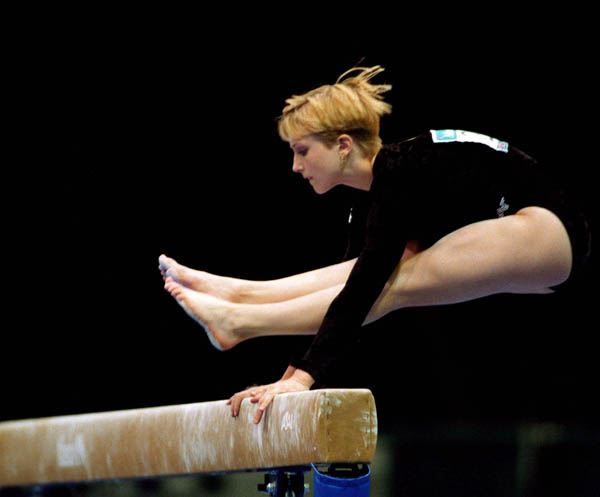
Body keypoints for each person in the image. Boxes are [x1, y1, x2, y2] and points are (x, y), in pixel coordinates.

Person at [159, 66, 591, 424]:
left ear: (343, 145)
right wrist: (287, 377)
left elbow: (362, 299)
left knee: (389, 283)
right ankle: (239, 296)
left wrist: (301, 379)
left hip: (546, 228)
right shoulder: (379, 195)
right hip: (521, 233)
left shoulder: (401, 173)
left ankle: (240, 319)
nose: (296, 166)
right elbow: (343, 304)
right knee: (363, 274)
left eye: (303, 150)